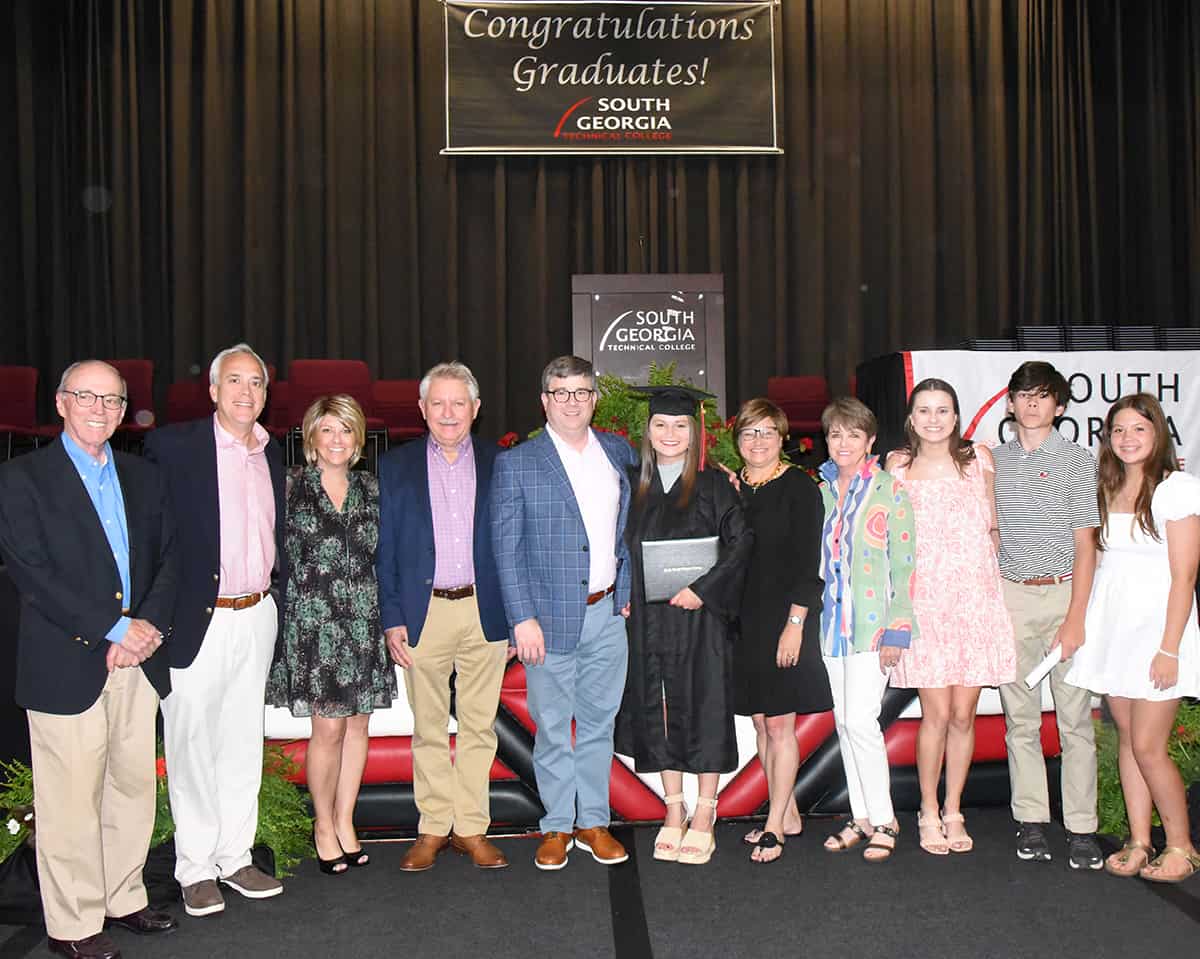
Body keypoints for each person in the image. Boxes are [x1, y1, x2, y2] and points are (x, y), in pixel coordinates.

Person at [0, 360, 178, 959]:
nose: (99, 409)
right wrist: (115, 629)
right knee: (70, 799)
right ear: (60, 403)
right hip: (68, 662)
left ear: (125, 410)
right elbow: (34, 575)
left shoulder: (144, 477)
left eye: (112, 400)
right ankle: (73, 925)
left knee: (131, 788)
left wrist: (143, 630)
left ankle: (123, 898)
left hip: (136, 659)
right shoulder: (23, 479)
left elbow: (169, 558)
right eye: (86, 396)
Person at [143, 343, 287, 916]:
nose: (246, 392)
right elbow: (152, 538)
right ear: (212, 390)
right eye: (234, 381)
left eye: (256, 383)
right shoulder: (174, 447)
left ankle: (235, 857)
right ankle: (195, 868)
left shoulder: (271, 452)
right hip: (196, 619)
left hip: (257, 615)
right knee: (191, 744)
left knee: (241, 743)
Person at [491, 355, 638, 870]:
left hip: (607, 616)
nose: (571, 402)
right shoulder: (517, 463)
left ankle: (593, 822)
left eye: (581, 392)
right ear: (544, 401)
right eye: (560, 393)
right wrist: (521, 617)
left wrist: (627, 591)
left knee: (599, 725)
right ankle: (556, 826)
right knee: (554, 728)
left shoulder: (619, 453)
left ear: (594, 399)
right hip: (546, 622)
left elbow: (633, 531)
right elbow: (504, 548)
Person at [376, 362, 511, 872]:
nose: (449, 413)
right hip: (422, 612)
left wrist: (517, 615)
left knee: (480, 727)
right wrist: (392, 617)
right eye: (439, 403)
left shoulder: (504, 463)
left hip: (485, 611)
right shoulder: (396, 466)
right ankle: (433, 828)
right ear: (422, 409)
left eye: (460, 403)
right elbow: (384, 549)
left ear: (476, 410)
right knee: (428, 726)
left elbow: (515, 548)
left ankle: (471, 829)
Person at [613, 386, 752, 866]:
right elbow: (617, 549)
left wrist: (705, 590)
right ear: (647, 433)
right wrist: (622, 594)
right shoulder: (632, 486)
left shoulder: (714, 486)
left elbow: (741, 545)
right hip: (649, 617)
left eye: (680, 426)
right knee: (658, 705)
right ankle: (673, 810)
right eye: (660, 425)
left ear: (693, 433)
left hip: (702, 619)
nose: (669, 434)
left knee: (705, 703)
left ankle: (705, 813)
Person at [1066, 394, 1200, 882]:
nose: (1127, 438)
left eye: (1138, 429)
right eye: (1118, 430)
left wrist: (1169, 648)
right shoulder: (1106, 487)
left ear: (1157, 434)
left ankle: (1182, 847)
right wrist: (1080, 624)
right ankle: (1141, 842)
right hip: (1112, 631)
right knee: (1125, 738)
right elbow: (1098, 566)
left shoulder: (1176, 489)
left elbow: (1184, 576)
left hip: (1160, 635)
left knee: (1148, 745)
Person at [266, 395, 396, 874]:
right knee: (328, 729)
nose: (337, 439)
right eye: (328, 430)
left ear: (358, 439)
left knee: (359, 725)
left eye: (346, 429)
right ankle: (322, 824)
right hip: (313, 626)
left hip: (364, 623)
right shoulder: (287, 488)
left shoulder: (373, 489)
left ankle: (346, 820)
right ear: (311, 439)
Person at [886, 379, 1016, 854]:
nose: (934, 419)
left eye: (943, 410)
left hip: (973, 602)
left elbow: (994, 525)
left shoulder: (979, 460)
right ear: (911, 418)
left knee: (964, 715)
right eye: (925, 410)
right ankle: (926, 809)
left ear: (956, 417)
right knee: (935, 714)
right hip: (925, 606)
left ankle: (954, 808)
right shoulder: (897, 466)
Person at [993, 361, 1103, 869]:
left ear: (1059, 406)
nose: (1031, 404)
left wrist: (1076, 617)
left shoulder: (1080, 462)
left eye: (1042, 396)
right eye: (1023, 395)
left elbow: (1087, 545)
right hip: (1012, 598)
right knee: (1020, 720)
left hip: (1064, 595)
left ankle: (1082, 828)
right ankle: (1032, 821)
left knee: (1076, 720)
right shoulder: (994, 462)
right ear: (1010, 403)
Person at [728, 398, 832, 864]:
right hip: (742, 620)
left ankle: (773, 827)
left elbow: (809, 565)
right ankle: (786, 811)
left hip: (786, 618)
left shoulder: (799, 488)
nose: (758, 440)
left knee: (780, 723)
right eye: (750, 432)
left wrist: (795, 625)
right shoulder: (734, 488)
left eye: (768, 431)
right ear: (738, 440)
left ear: (782, 437)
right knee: (759, 722)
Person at [816, 397, 917, 862]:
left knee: (861, 721)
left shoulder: (889, 490)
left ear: (870, 441)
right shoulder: (817, 491)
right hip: (831, 626)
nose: (843, 442)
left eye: (853, 434)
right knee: (844, 723)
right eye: (836, 433)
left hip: (873, 628)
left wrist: (898, 630)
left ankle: (885, 819)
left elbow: (906, 564)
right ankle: (861, 816)